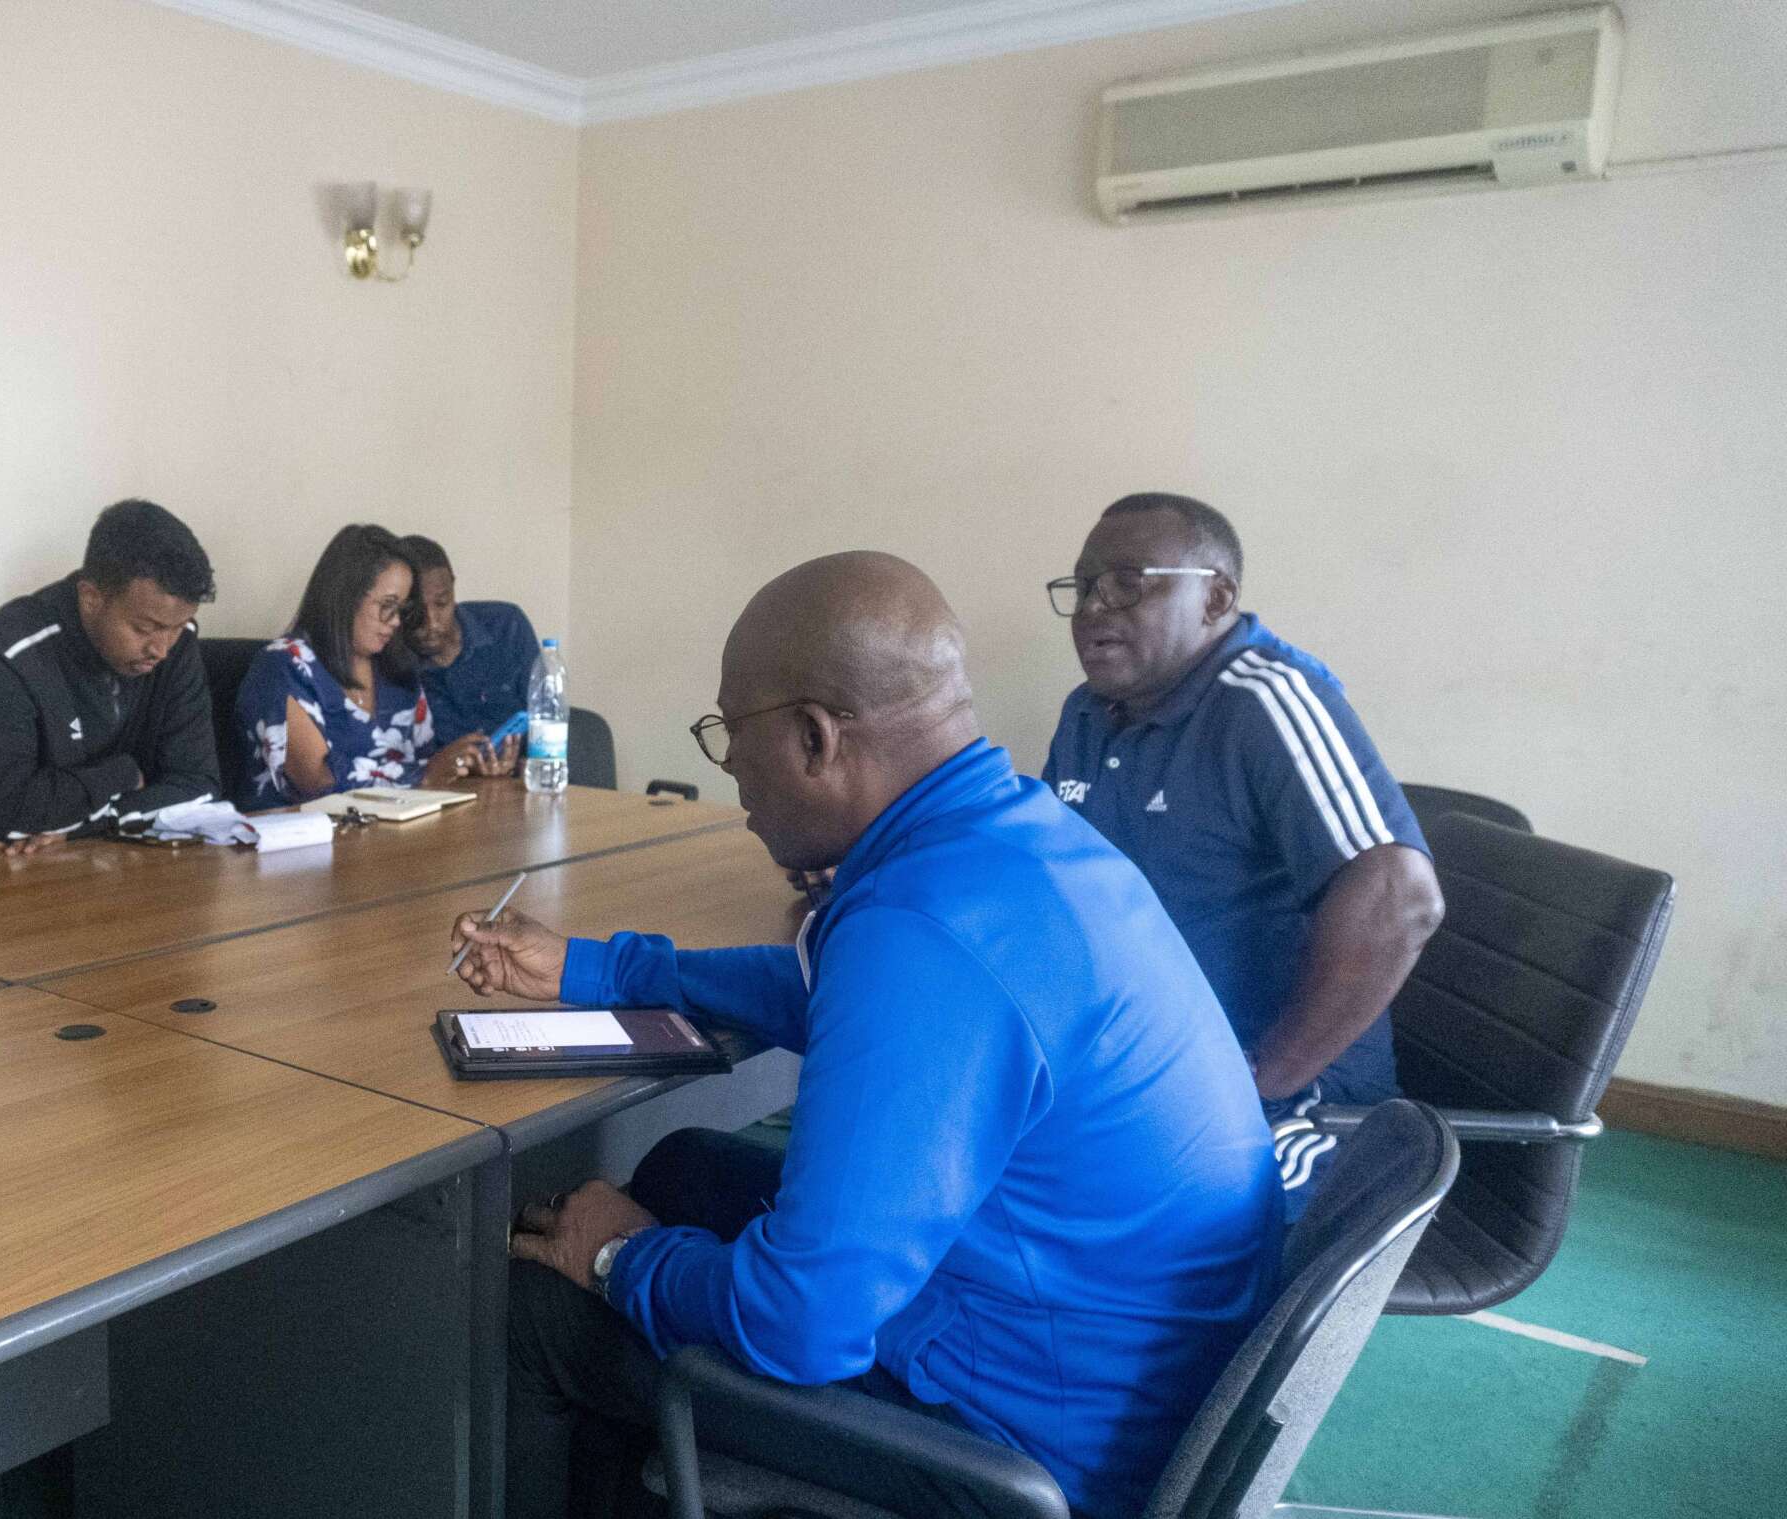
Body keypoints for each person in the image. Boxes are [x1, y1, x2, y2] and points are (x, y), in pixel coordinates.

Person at [453, 552, 1281, 1519]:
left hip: (1026, 1455)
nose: (730, 769)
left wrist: (619, 1259)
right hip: (1112, 1364)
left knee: (536, 1312)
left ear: (814, 737)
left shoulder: (923, 931)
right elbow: (837, 992)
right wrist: (599, 969)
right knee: (683, 1169)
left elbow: (800, 1325)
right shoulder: (1011, 838)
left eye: (731, 735)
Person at [1042, 493, 1444, 1208]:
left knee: (1137, 1227)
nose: (1095, 607)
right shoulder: (1087, 712)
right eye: (1084, 584)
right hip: (1136, 1066)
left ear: (1215, 597)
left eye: (1128, 581)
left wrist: (1262, 1078)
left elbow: (1398, 896)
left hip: (1290, 1106)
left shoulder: (1267, 700)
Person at [0, 499, 223, 853]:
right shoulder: (12, 648)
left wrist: (89, 824)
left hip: (110, 859)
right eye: (143, 628)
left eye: (177, 627)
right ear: (91, 598)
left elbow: (200, 786)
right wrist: (126, 774)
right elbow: (13, 816)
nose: (162, 649)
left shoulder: (177, 643)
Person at [234, 524, 497, 809]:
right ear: (345, 596)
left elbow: (429, 760)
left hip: (399, 838)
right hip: (306, 842)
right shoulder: (283, 666)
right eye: (387, 605)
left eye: (402, 609)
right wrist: (424, 777)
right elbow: (317, 782)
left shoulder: (399, 672)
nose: (396, 621)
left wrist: (465, 766)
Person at [398, 534, 537, 759]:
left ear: (453, 588)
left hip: (520, 782)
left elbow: (546, 720)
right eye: (415, 611)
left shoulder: (506, 626)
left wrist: (520, 767)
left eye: (442, 603)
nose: (431, 623)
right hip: (444, 789)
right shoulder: (392, 659)